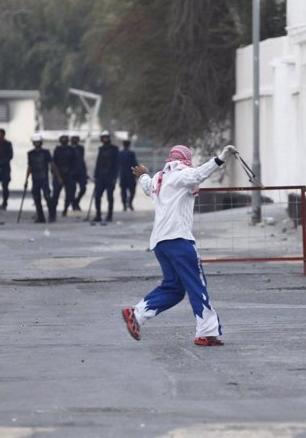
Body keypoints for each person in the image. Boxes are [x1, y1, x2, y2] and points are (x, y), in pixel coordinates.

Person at [121, 145, 235, 347]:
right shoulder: (182, 174)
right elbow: (199, 174)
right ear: (185, 159)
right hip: (179, 240)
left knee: (174, 288)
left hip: (160, 243)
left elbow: (148, 186)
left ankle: (137, 314)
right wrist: (221, 158)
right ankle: (206, 332)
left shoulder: (160, 177)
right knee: (196, 284)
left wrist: (142, 175)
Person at [25, 134, 58, 223]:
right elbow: (30, 167)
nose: (36, 143)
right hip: (35, 179)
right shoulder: (30, 153)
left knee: (47, 197)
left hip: (44, 179)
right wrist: (26, 179)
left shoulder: (46, 152)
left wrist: (56, 175)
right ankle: (41, 217)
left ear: (41, 142)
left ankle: (52, 215)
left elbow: (52, 164)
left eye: (38, 142)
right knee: (36, 198)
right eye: (35, 142)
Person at [92, 130, 119, 222]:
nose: (105, 139)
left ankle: (109, 215)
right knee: (97, 196)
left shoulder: (114, 149)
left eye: (107, 137)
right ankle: (98, 215)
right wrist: (95, 176)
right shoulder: (101, 149)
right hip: (100, 176)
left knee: (110, 196)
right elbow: (98, 163)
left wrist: (115, 177)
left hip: (110, 176)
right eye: (104, 137)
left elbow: (116, 164)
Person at [51, 133, 76, 217]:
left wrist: (73, 174)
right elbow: (53, 163)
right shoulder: (57, 150)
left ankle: (65, 209)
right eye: (63, 139)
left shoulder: (71, 150)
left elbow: (75, 162)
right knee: (55, 195)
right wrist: (56, 175)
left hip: (69, 174)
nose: (64, 140)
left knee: (69, 194)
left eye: (65, 139)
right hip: (59, 173)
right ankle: (53, 212)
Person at [118, 139, 139, 211]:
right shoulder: (131, 153)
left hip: (123, 175)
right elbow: (135, 164)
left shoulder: (120, 153)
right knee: (132, 190)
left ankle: (124, 205)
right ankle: (130, 202)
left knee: (123, 191)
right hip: (130, 175)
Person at [70, 134, 88, 211]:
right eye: (73, 139)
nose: (75, 140)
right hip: (71, 172)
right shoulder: (68, 149)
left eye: (76, 139)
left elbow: (81, 159)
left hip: (80, 171)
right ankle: (73, 204)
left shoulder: (81, 148)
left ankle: (76, 202)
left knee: (83, 188)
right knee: (72, 190)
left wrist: (85, 171)